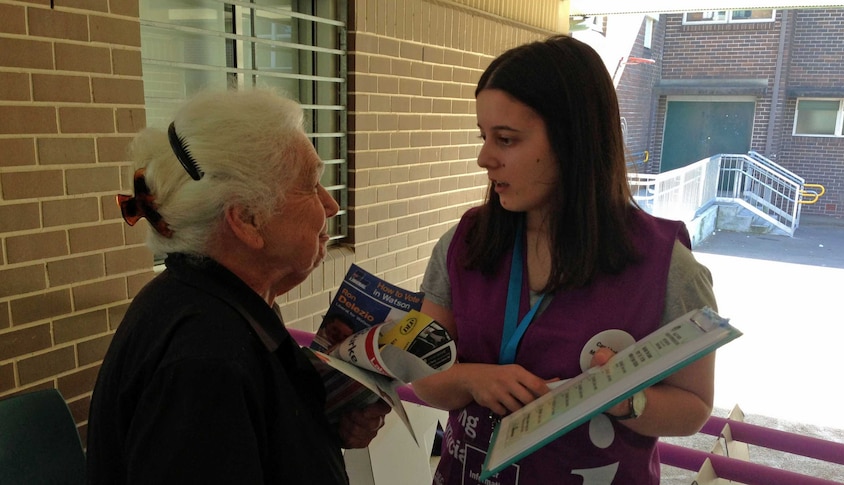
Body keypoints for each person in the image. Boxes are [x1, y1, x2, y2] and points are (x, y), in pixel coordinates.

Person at [411, 35, 718, 484]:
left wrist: (623, 399)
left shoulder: (665, 266)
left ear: (574, 140)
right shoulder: (463, 244)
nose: (484, 158)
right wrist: (473, 379)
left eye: (506, 139)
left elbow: (693, 407)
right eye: (484, 137)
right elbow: (423, 374)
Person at [86, 88, 390, 485]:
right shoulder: (206, 359)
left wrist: (319, 418)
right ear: (247, 220)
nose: (330, 205)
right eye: (310, 184)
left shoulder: (217, 299)